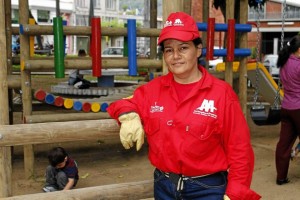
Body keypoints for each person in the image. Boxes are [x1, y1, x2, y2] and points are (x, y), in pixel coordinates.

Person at [107, 12, 261, 200]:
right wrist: (128, 115)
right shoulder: (152, 90)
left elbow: (240, 150)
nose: (176, 56)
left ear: (198, 50)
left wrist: (235, 193)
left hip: (208, 189)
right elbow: (121, 103)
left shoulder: (222, 94)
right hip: (164, 186)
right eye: (169, 50)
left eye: (183, 48)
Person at [275, 34, 300, 185]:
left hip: (286, 109)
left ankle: (281, 177)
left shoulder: (283, 63)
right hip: (298, 108)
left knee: (283, 145)